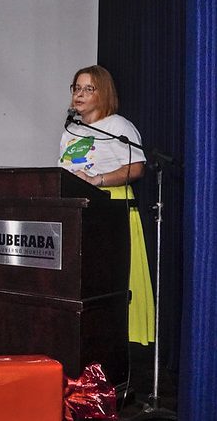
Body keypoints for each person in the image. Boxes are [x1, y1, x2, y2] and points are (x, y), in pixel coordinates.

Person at [58, 65, 155, 345]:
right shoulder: (71, 130)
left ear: (103, 93)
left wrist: (97, 180)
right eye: (76, 88)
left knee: (114, 277)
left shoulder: (118, 126)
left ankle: (123, 339)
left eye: (88, 89)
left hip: (113, 209)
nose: (79, 94)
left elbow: (136, 168)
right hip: (79, 210)